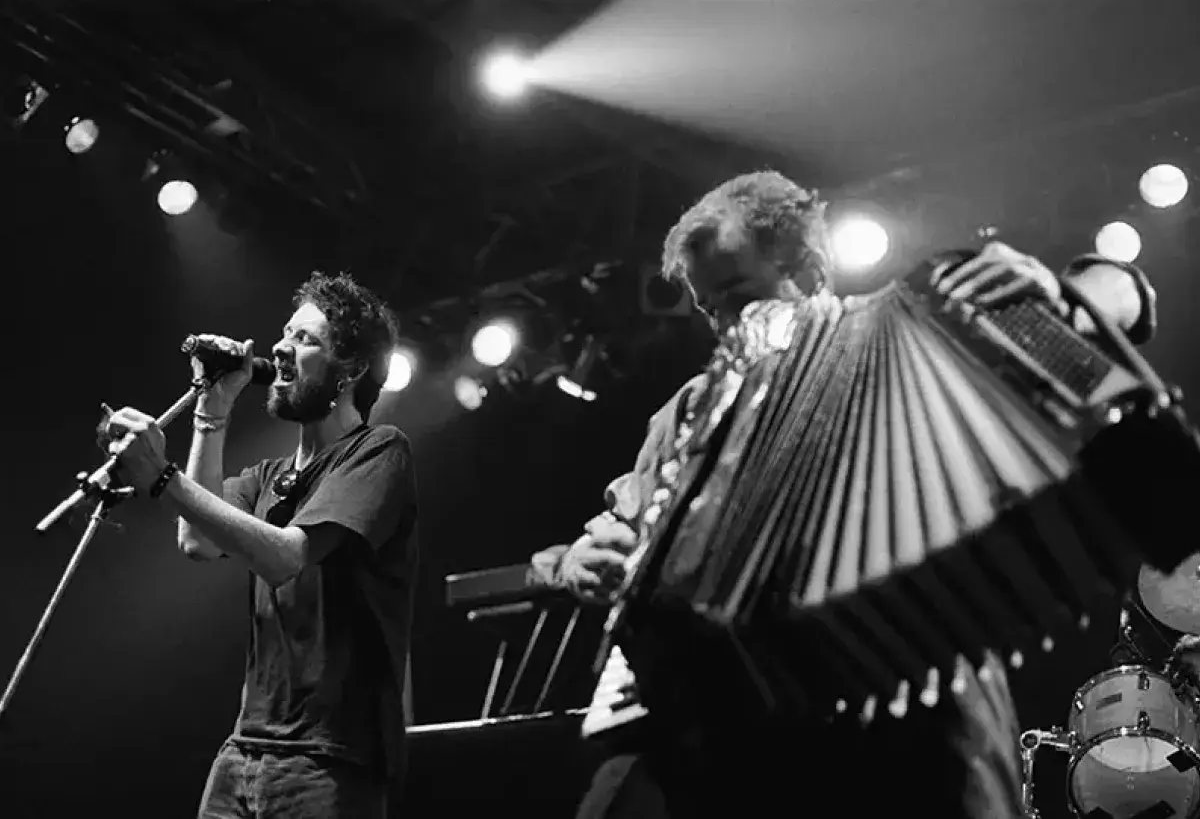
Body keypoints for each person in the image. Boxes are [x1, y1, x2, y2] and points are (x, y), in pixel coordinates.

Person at [532, 170, 1158, 818]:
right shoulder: (687, 414)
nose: (725, 325)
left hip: (918, 729)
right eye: (709, 307)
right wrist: (586, 559)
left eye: (739, 293)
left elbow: (1121, 294)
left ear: (807, 273)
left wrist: (1066, 292)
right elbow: (625, 531)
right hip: (743, 751)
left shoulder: (915, 349)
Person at [103, 271, 418, 819]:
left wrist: (161, 474)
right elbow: (197, 540)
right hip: (245, 746)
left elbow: (284, 557)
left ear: (350, 370)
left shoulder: (379, 450)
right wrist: (212, 410)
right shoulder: (267, 475)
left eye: (306, 339)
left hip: (329, 760)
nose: (280, 347)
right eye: (285, 333)